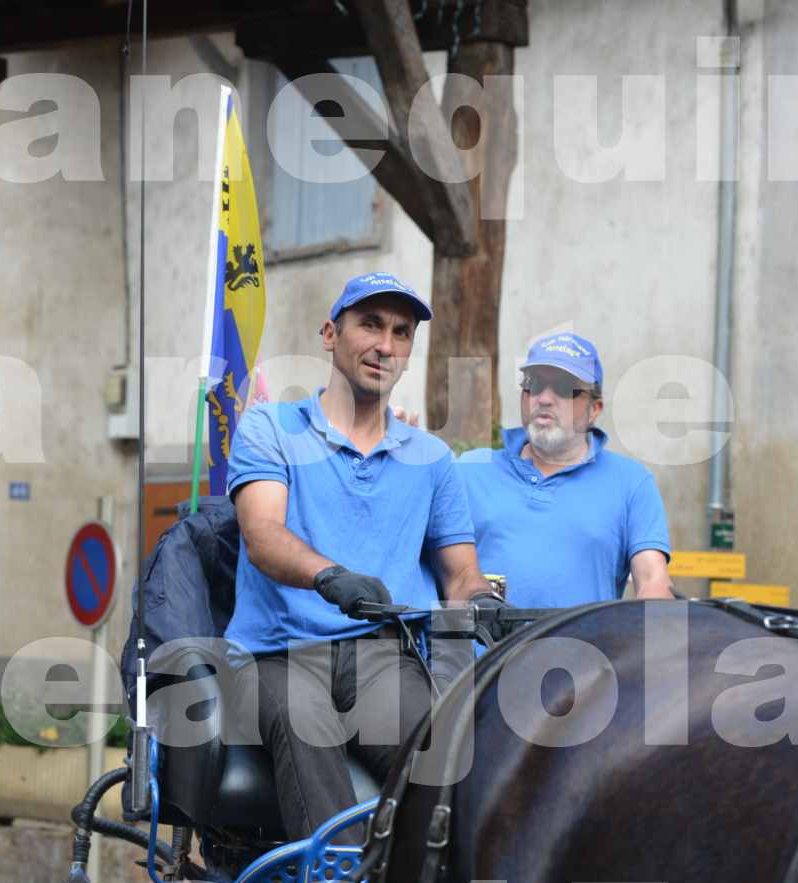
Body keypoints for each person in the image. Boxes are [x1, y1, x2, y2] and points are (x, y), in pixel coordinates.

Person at [224, 272, 499, 841]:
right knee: (307, 724)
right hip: (278, 656)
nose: (385, 344)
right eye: (370, 324)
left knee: (446, 761)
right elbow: (263, 533)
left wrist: (480, 603)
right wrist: (329, 577)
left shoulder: (432, 458)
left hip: (381, 661)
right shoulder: (270, 427)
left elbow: (460, 572)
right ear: (331, 333)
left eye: (401, 333)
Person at [456, 332, 674, 608]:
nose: (544, 399)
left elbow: (652, 578)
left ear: (595, 409)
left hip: (585, 650)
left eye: (563, 388)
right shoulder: (469, 470)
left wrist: (659, 621)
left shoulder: (632, 483)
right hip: (488, 652)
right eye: (534, 385)